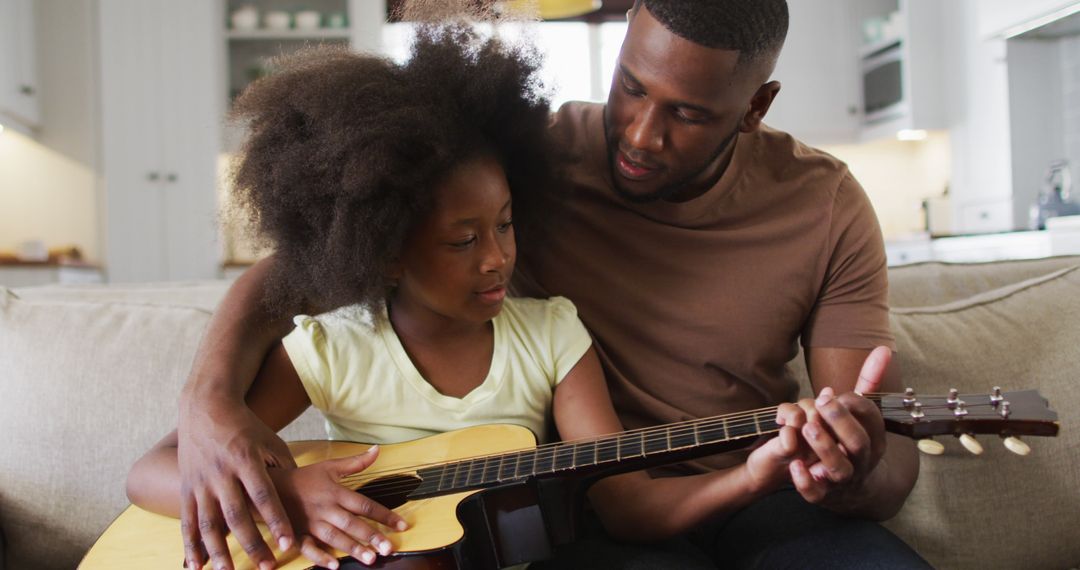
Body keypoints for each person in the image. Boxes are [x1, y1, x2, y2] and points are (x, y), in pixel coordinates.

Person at [176, 1, 927, 568]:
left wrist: (851, 467)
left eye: (688, 115)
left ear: (756, 108)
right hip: (580, 507)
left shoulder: (823, 205)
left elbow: (878, 443)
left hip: (756, 492)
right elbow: (309, 262)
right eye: (631, 88)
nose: (638, 134)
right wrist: (207, 400)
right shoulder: (537, 159)